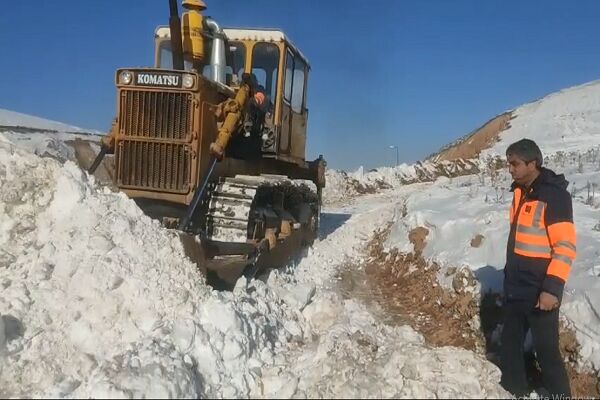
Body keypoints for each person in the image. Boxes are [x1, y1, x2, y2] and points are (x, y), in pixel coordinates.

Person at [500, 138, 575, 397]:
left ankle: (560, 396)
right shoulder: (520, 192)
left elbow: (565, 247)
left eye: (515, 164)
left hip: (540, 289)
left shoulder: (554, 196)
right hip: (516, 286)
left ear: (533, 164)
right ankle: (514, 391)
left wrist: (551, 289)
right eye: (509, 164)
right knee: (510, 345)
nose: (510, 169)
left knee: (547, 353)